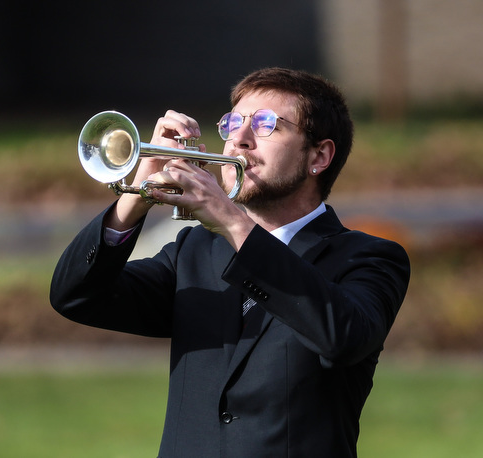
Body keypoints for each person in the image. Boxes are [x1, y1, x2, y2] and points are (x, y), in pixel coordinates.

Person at [50, 67, 410, 457]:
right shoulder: (193, 251)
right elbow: (75, 296)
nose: (238, 139)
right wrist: (137, 193)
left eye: (267, 125)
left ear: (318, 156)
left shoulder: (369, 258)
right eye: (232, 122)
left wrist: (233, 222)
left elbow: (344, 339)